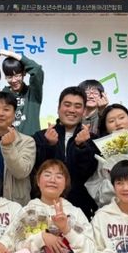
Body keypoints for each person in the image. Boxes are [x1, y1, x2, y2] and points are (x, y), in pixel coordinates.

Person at [33, 86, 99, 219]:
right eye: (67, 105)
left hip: (80, 209)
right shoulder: (40, 136)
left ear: (84, 111)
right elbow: (36, 170)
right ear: (58, 108)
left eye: (77, 106)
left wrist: (82, 147)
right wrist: (49, 145)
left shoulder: (92, 140)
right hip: (44, 207)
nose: (72, 110)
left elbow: (88, 174)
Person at [0, 50, 44, 136]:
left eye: (17, 75)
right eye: (9, 77)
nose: (14, 80)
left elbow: (37, 70)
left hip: (32, 142)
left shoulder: (33, 93)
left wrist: (12, 54)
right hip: (10, 142)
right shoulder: (2, 96)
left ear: (24, 73)